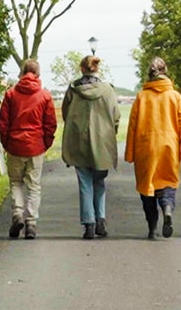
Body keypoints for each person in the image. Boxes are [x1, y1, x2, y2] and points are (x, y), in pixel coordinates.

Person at [124, 55, 181, 239]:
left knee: (147, 187)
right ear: (165, 72)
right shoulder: (175, 97)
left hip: (146, 147)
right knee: (167, 182)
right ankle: (167, 207)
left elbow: (132, 126)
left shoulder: (141, 97)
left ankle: (152, 227)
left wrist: (130, 154)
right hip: (169, 147)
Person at [60, 54, 121, 240]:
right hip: (102, 142)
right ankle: (100, 220)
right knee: (99, 182)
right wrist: (111, 132)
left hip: (79, 141)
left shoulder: (73, 90)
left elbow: (65, 113)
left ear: (82, 69)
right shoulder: (108, 90)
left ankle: (89, 224)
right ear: (96, 69)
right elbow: (115, 116)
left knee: (85, 183)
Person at [0, 57, 57, 239]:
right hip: (35, 146)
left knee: (16, 182)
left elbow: (3, 123)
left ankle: (17, 214)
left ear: (22, 73)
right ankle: (31, 222)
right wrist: (45, 143)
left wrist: (7, 142)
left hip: (15, 145)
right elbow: (50, 124)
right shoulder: (45, 96)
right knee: (34, 185)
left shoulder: (11, 94)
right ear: (38, 74)